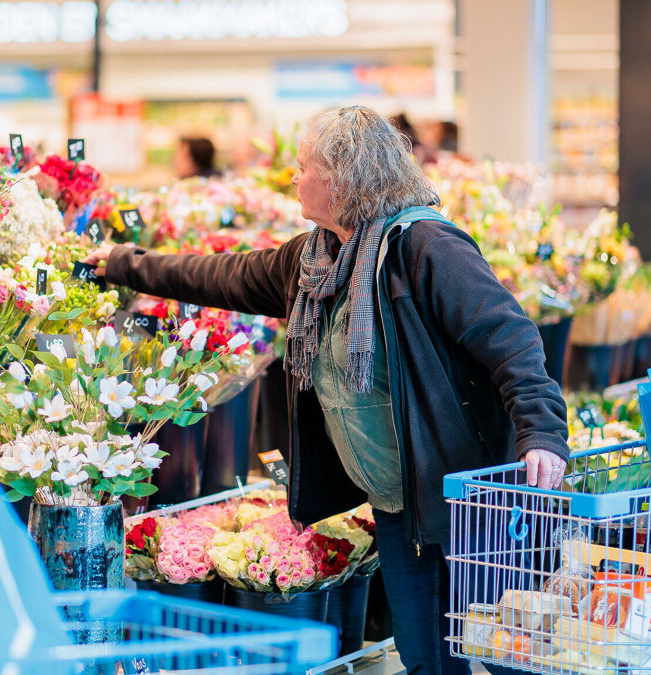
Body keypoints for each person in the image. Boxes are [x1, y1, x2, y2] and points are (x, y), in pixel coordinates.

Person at [85, 106, 569, 674]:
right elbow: (222, 276)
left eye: (303, 166)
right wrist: (124, 264)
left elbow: (513, 342)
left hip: (469, 503)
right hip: (399, 508)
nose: (293, 177)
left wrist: (542, 434)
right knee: (426, 661)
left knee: (511, 655)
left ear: (342, 177)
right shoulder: (313, 260)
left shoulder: (426, 247)